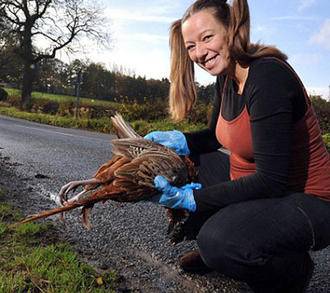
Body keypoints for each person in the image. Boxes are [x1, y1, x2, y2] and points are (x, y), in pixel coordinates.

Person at [144, 0, 330, 292]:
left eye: (207, 38)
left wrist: (195, 201)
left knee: (218, 241)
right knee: (180, 165)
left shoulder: (268, 78)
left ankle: (291, 269)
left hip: (309, 200)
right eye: (191, 46)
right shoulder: (227, 79)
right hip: (262, 186)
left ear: (231, 30)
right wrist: (181, 140)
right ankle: (222, 254)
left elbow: (271, 181)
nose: (199, 53)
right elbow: (216, 137)